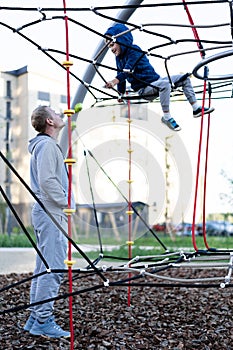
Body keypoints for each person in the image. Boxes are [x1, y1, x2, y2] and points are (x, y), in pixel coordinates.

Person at [104, 23, 214, 131]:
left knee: (184, 78)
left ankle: (196, 108)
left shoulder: (134, 50)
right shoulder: (118, 59)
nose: (111, 49)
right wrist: (121, 93)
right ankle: (167, 117)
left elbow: (128, 70)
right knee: (165, 84)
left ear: (122, 40)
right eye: (109, 47)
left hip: (156, 81)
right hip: (144, 89)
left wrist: (114, 82)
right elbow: (122, 74)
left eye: (112, 45)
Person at [23, 106, 74, 338]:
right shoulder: (47, 146)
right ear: (49, 122)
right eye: (55, 112)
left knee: (43, 267)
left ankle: (35, 317)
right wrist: (66, 202)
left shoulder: (45, 145)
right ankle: (44, 320)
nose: (60, 114)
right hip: (50, 210)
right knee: (54, 268)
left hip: (46, 210)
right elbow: (47, 181)